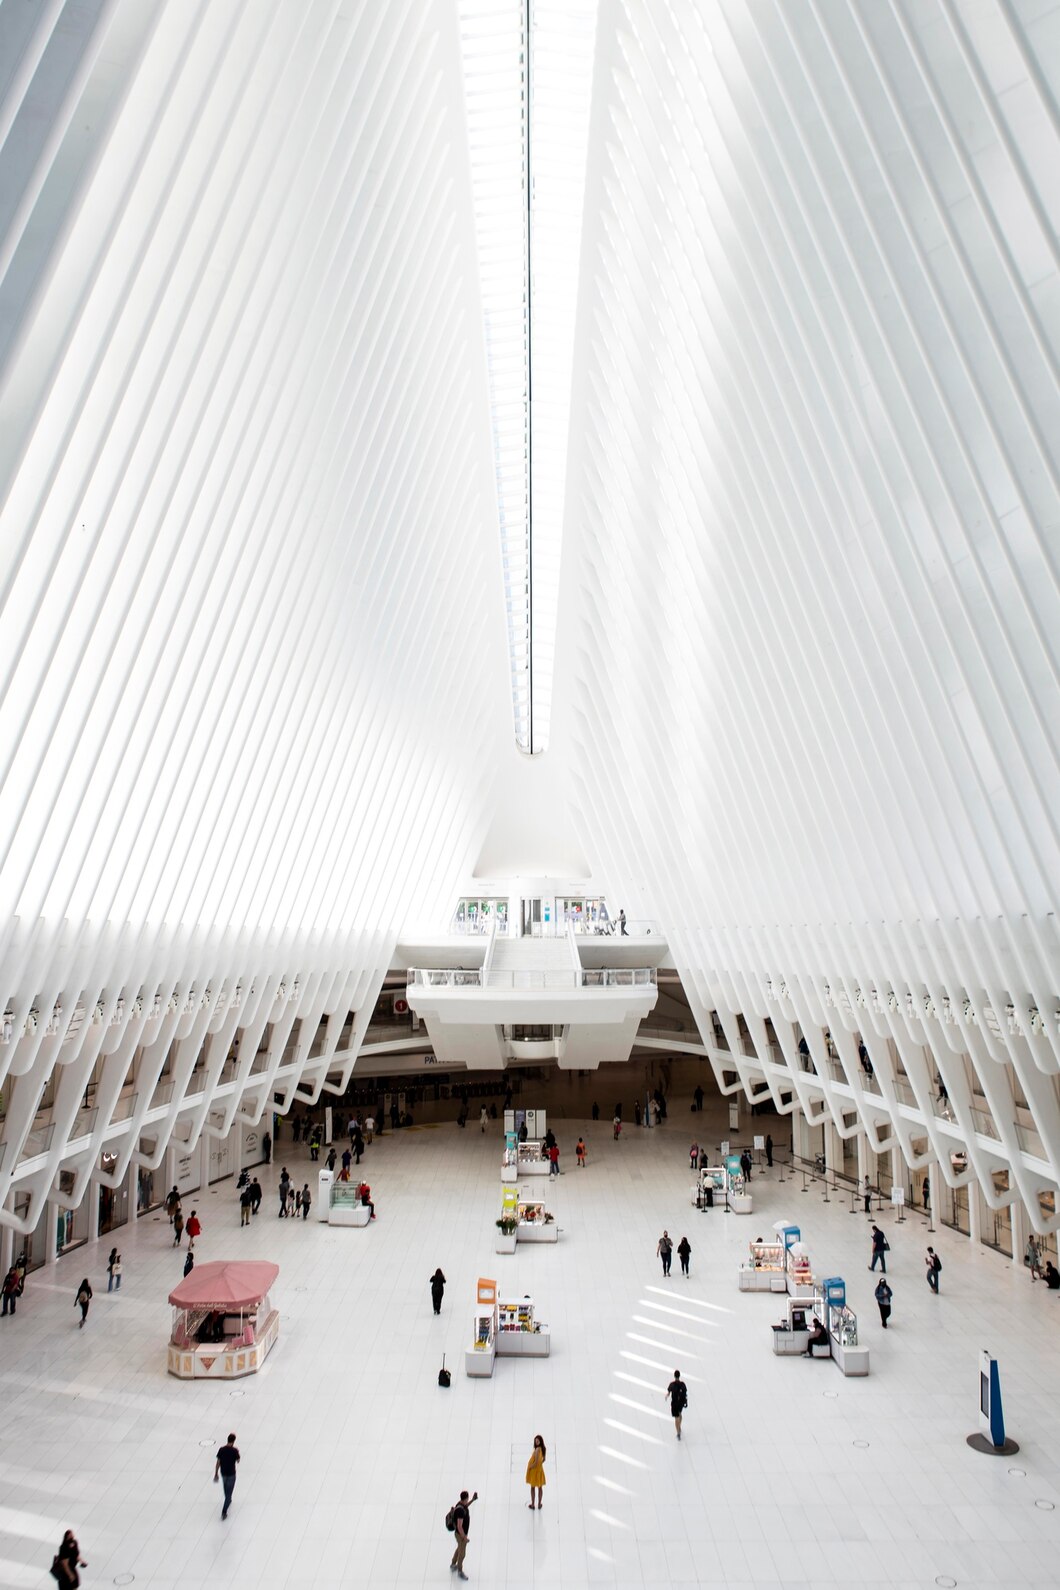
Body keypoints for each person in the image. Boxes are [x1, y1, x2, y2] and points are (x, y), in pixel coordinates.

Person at [449, 1488, 477, 1580]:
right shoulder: (460, 1511)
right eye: (468, 1499)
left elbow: (466, 1506)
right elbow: (459, 1526)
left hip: (459, 1534)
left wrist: (473, 1500)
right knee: (462, 1553)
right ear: (465, 1499)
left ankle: (453, 1564)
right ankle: (460, 1571)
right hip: (460, 1534)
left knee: (459, 1548)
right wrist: (464, 1537)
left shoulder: (460, 1504)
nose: (467, 1501)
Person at [214, 1432, 240, 1520]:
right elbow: (238, 1460)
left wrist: (216, 1473)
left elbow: (218, 1462)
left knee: (226, 1491)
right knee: (228, 1494)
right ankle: (224, 1511)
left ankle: (228, 1500)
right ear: (233, 1441)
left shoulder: (221, 1449)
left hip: (223, 1473)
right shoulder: (235, 1450)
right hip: (231, 1474)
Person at [525, 1434, 547, 1509]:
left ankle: (533, 1504)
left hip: (535, 1471)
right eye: (535, 1441)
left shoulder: (537, 1450)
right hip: (540, 1470)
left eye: (537, 1441)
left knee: (533, 1487)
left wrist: (530, 1466)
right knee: (540, 1487)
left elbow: (536, 1462)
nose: (536, 1442)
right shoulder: (543, 1449)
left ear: (540, 1441)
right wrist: (539, 1465)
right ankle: (539, 1504)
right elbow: (543, 1460)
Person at [665, 1370, 687, 1439]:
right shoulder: (683, 1384)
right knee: (680, 1414)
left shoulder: (672, 1384)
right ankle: (679, 1427)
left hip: (674, 1403)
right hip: (680, 1403)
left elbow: (668, 1392)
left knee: (676, 1417)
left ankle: (678, 1433)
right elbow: (685, 1393)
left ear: (674, 1376)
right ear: (679, 1376)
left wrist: (666, 1396)